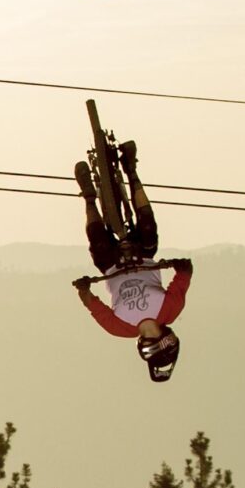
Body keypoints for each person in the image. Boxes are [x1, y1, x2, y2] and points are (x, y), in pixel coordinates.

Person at [72, 139, 191, 381]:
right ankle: (131, 171)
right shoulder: (170, 311)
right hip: (143, 257)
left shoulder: (120, 328)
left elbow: (93, 306)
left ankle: (89, 197)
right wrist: (181, 266)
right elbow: (183, 278)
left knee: (97, 240)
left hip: (112, 265)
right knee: (147, 225)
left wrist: (84, 289)